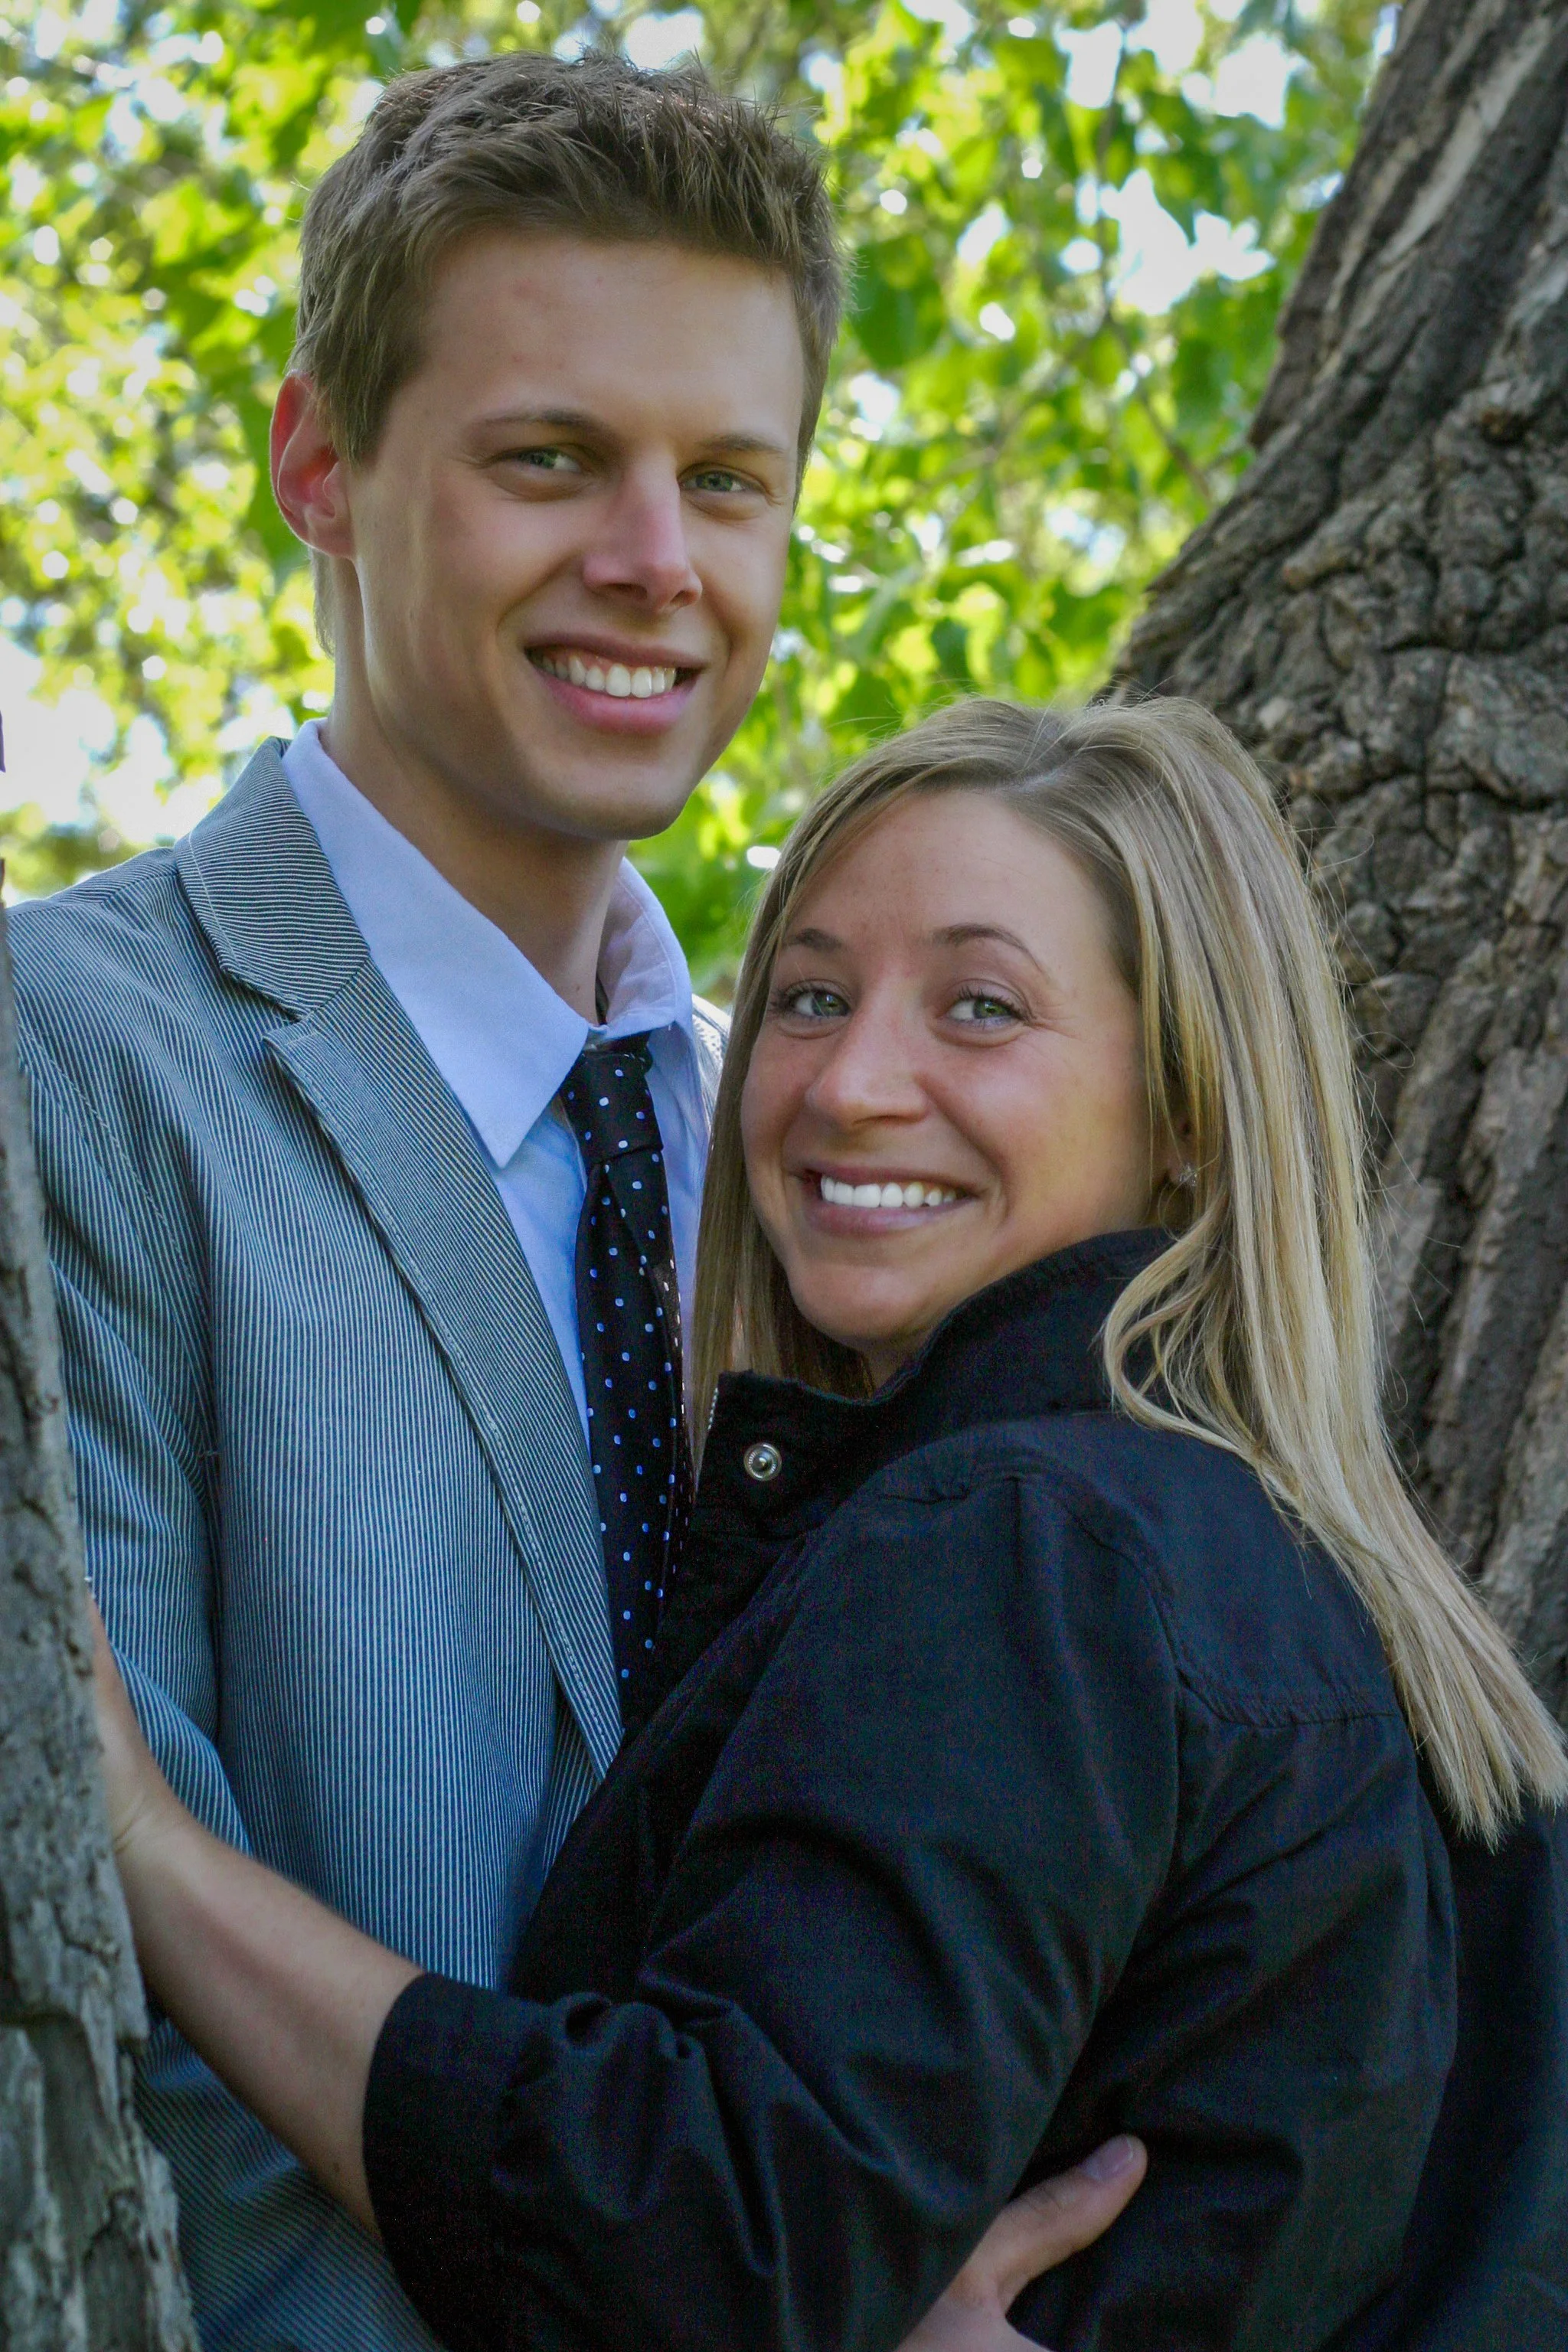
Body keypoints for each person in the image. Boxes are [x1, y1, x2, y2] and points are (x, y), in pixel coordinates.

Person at [13, 49, 1125, 2352]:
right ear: (323, 463)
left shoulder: (815, 1156)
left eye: (730, 479)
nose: (655, 561)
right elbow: (109, 2035)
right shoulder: (63, 1060)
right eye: (551, 460)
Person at [91, 697, 1568, 2348]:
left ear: (1185, 1109)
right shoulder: (1321, 1588)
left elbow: (704, 2243)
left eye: (981, 1009)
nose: (851, 1083)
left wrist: (150, 1861)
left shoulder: (1023, 1538)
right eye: (807, 995)